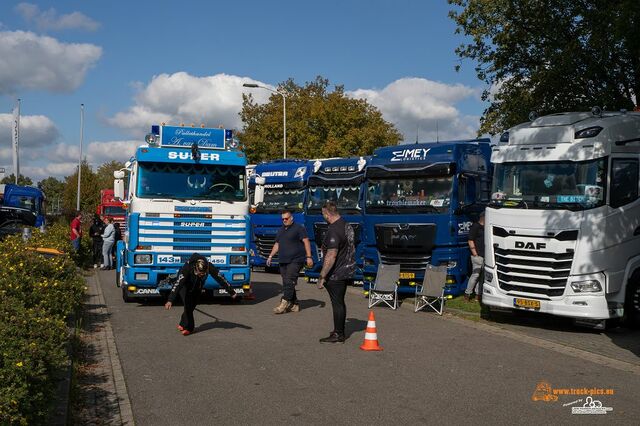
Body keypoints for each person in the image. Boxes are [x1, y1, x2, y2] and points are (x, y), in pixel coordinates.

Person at [164, 253, 237, 335]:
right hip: (185, 286)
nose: (201, 275)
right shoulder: (187, 267)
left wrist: (231, 291)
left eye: (204, 273)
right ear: (195, 267)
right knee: (188, 305)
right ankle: (189, 328)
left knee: (191, 307)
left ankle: (182, 323)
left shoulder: (209, 266)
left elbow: (220, 278)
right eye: (200, 273)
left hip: (197, 287)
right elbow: (178, 284)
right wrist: (170, 300)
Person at [316, 201, 356, 343]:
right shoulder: (347, 225)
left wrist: (322, 276)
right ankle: (338, 331)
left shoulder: (334, 230)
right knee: (340, 302)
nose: (323, 216)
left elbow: (331, 255)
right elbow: (352, 248)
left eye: (323, 214)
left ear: (327, 214)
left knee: (337, 303)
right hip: (347, 269)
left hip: (336, 273)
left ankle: (338, 334)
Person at [266, 210, 314, 314]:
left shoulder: (299, 228)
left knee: (289, 280)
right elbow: (277, 244)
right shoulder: (281, 230)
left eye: (286, 218)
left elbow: (306, 241)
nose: (284, 220)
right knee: (287, 282)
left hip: (296, 259)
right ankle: (295, 304)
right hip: (283, 260)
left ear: (291, 218)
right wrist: (270, 256)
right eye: (282, 219)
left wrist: (309, 256)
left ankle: (284, 302)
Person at [465, 211, 485, 302]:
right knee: (475, 275)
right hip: (477, 255)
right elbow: (470, 240)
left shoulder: (486, 227)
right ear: (482, 217)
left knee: (482, 276)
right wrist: (475, 254)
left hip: (485, 256)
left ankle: (478, 294)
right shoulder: (475, 226)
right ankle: (467, 293)